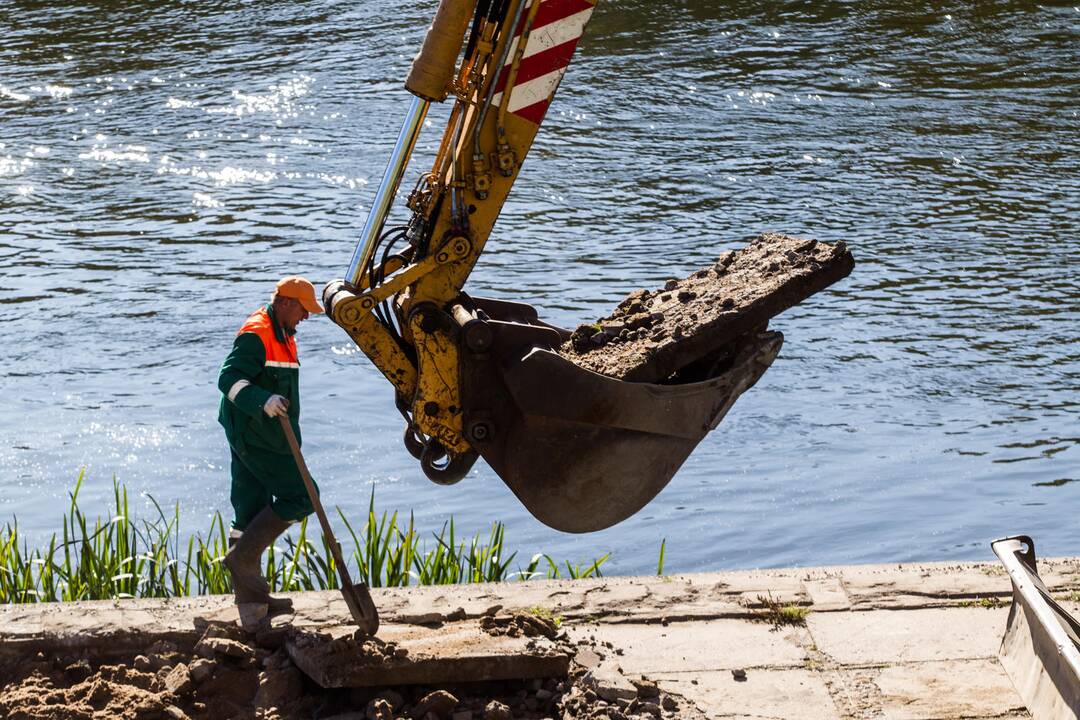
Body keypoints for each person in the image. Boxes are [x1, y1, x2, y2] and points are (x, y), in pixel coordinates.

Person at [217, 276, 323, 610]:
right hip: (253, 433)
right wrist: (263, 400)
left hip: (261, 433)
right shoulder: (257, 333)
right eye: (303, 310)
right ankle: (243, 558)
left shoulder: (283, 333)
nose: (305, 317)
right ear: (285, 303)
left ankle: (252, 603)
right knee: (304, 496)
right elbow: (228, 379)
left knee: (248, 509)